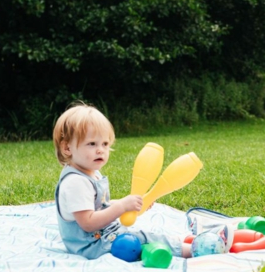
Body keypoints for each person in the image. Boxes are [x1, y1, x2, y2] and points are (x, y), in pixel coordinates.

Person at [52, 102, 229, 260]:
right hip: (91, 246)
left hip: (104, 235)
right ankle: (198, 250)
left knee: (151, 235)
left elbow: (99, 206)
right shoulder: (75, 183)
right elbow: (88, 223)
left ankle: (184, 242)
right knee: (144, 237)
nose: (100, 150)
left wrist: (126, 203)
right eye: (92, 144)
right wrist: (121, 207)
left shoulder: (91, 173)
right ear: (67, 147)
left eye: (105, 144)